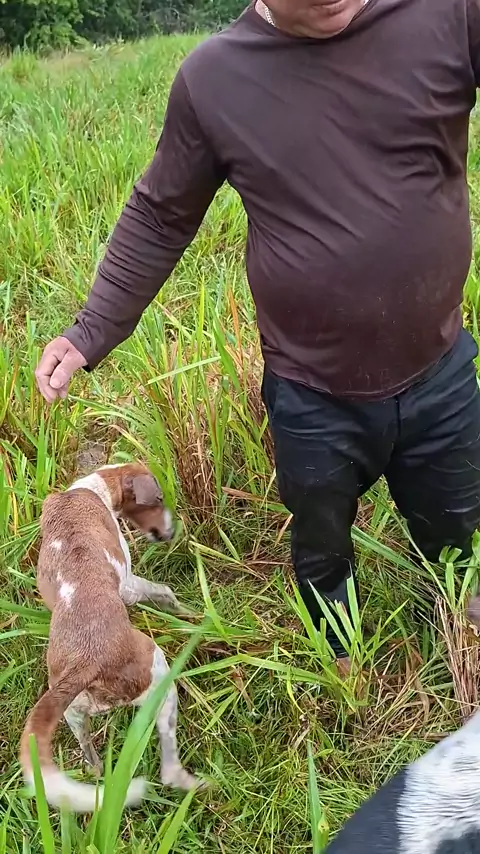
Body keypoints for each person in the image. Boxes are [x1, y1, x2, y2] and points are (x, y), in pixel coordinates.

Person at [36, 0, 480, 672]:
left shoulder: (447, 12)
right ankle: (341, 657)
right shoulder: (216, 79)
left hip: (439, 370)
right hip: (312, 394)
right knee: (321, 539)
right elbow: (161, 215)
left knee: (458, 523)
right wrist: (92, 328)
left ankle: (464, 626)